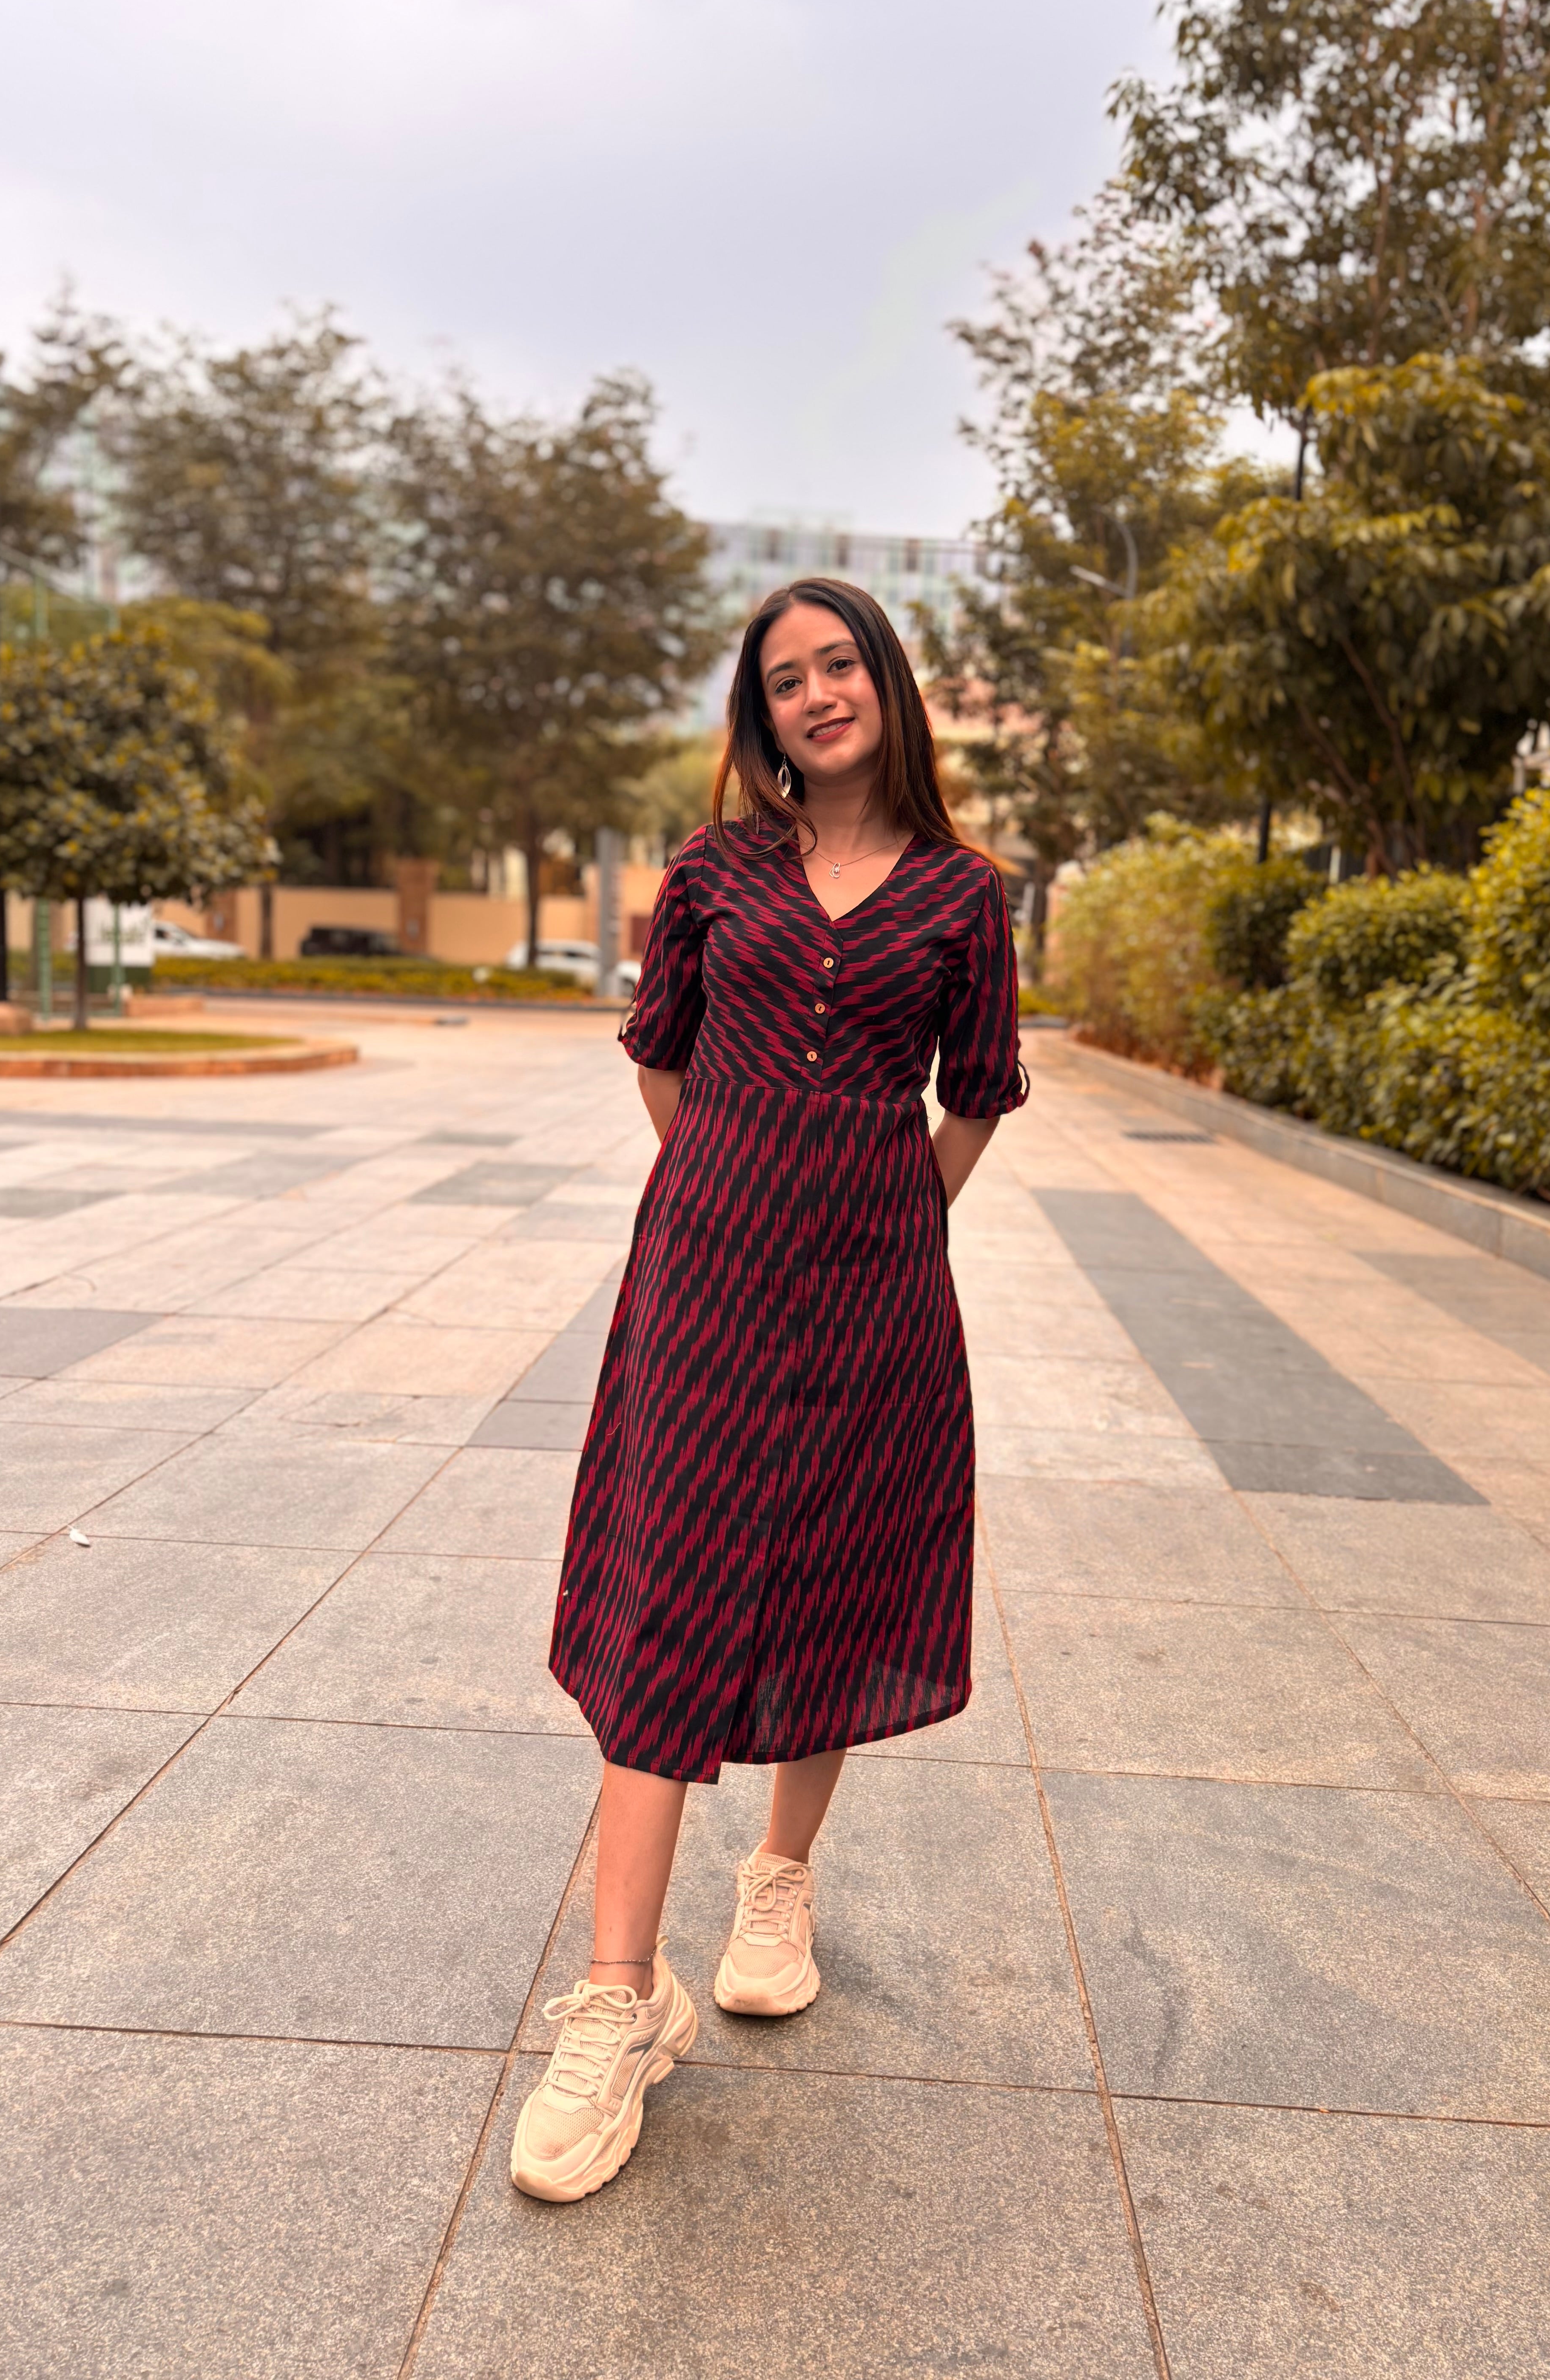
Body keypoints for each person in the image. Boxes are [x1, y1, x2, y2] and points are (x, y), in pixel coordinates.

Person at [511, 576, 1027, 2203]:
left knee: (833, 1573)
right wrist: (733, 1183)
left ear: (888, 682)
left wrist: (884, 1209)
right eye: (784, 677)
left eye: (840, 663)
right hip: (703, 1281)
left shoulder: (963, 894)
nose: (816, 693)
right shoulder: (713, 869)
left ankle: (780, 1882)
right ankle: (618, 2001)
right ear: (761, 715)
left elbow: (981, 1094)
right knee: (665, 1592)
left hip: (879, 1295)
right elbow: (661, 1054)